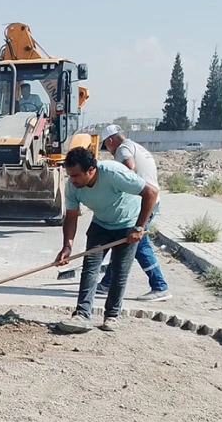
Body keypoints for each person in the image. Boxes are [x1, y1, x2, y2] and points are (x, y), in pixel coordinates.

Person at [54, 147, 158, 333]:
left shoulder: (113, 173)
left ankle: (112, 316)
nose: (73, 180)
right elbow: (71, 217)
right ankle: (82, 314)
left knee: (119, 271)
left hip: (128, 223)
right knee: (90, 269)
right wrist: (67, 247)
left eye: (76, 175)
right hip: (101, 225)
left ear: (91, 170)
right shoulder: (72, 186)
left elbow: (151, 193)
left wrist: (139, 227)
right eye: (70, 175)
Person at [96, 125, 171, 301]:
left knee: (139, 244)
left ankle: (160, 286)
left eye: (106, 147)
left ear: (110, 141)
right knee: (124, 244)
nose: (108, 150)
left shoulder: (123, 149)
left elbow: (128, 168)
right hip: (148, 201)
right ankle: (106, 284)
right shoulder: (137, 147)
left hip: (143, 204)